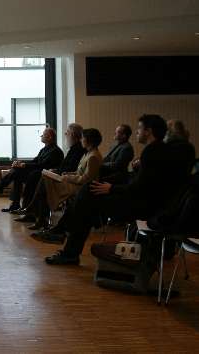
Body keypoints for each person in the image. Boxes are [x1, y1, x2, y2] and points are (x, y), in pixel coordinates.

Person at [44, 114, 175, 266]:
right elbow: (140, 182)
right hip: (141, 201)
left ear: (149, 131)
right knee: (87, 194)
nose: (137, 132)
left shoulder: (152, 152)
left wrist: (111, 188)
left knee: (86, 196)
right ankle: (67, 243)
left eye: (140, 128)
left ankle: (67, 244)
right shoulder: (158, 150)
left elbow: (139, 187)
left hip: (139, 206)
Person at [15, 128, 103, 231]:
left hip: (81, 188)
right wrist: (68, 173)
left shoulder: (93, 156)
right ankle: (37, 215)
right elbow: (79, 172)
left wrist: (67, 177)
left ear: (89, 140)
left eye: (83, 138)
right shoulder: (88, 153)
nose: (81, 140)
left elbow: (86, 179)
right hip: (75, 183)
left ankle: (36, 214)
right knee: (45, 180)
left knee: (45, 183)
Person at [9, 123, 85, 215]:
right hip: (60, 174)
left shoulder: (71, 150)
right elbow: (37, 161)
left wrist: (56, 171)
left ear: (72, 134)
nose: (65, 134)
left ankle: (31, 211)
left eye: (67, 132)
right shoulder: (73, 148)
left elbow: (70, 168)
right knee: (20, 172)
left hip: (65, 178)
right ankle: (27, 209)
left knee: (35, 176)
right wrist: (22, 164)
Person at [0, 127, 63, 213]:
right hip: (37, 173)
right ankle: (13, 203)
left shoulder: (56, 151)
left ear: (50, 137)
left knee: (18, 173)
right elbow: (34, 161)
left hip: (44, 177)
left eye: (43, 134)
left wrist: (24, 165)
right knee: (17, 172)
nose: (41, 136)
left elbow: (42, 165)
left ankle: (4, 191)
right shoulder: (44, 149)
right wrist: (21, 164)